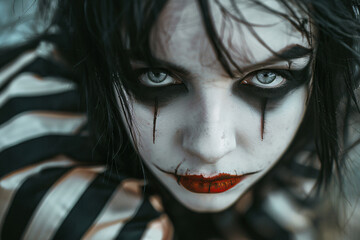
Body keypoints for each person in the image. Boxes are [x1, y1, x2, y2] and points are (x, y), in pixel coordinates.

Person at [0, 0, 359, 239]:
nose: (211, 147)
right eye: (157, 77)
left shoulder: (325, 84)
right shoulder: (45, 179)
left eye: (266, 78)